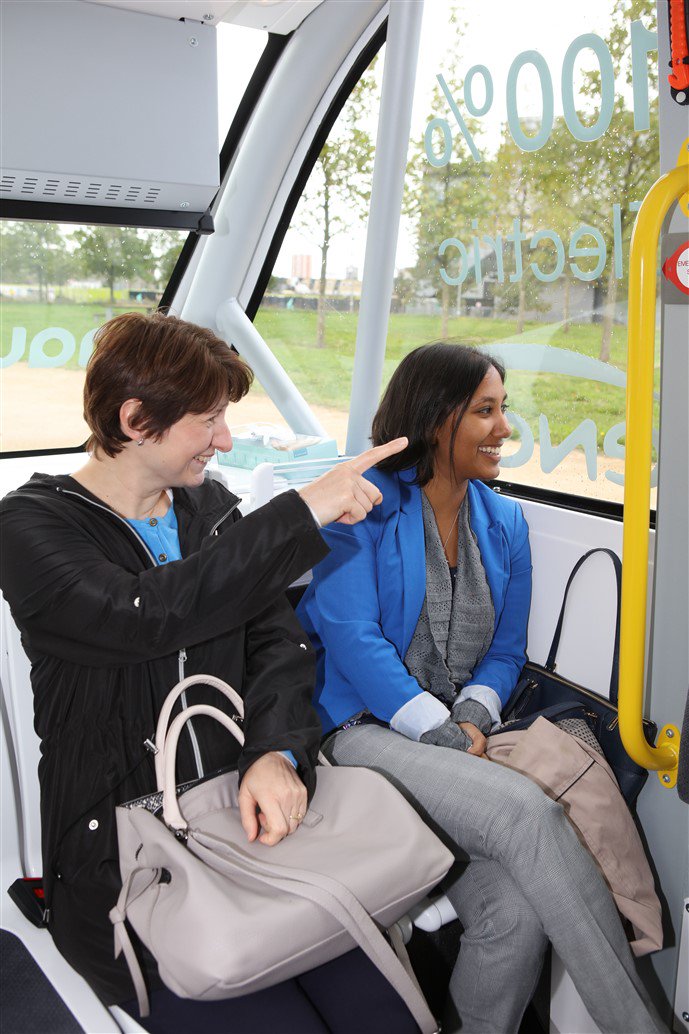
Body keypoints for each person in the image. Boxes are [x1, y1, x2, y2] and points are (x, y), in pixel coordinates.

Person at [0, 311, 416, 1034]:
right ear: (136, 419)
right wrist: (301, 510)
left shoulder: (212, 510)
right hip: (126, 863)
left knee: (387, 1014)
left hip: (244, 821)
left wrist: (276, 753)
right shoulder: (30, 526)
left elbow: (276, 645)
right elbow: (140, 614)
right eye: (209, 421)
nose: (225, 439)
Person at [297, 343, 665, 1034]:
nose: (504, 428)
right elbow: (350, 635)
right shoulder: (362, 510)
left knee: (516, 914)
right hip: (358, 732)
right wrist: (437, 729)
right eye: (485, 411)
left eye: (503, 410)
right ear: (437, 420)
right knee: (529, 813)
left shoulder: (505, 522)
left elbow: (504, 650)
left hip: (460, 737)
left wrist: (471, 712)